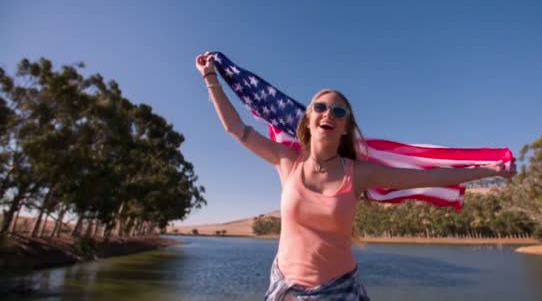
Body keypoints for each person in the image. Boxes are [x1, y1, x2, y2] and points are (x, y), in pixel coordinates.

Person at [195, 52, 516, 300]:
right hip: (285, 289)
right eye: (320, 107)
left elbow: (428, 177)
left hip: (339, 291)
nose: (328, 114)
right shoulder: (286, 162)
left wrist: (489, 170)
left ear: (345, 126)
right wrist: (211, 77)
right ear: (308, 120)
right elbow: (237, 130)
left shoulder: (359, 174)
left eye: (338, 111)